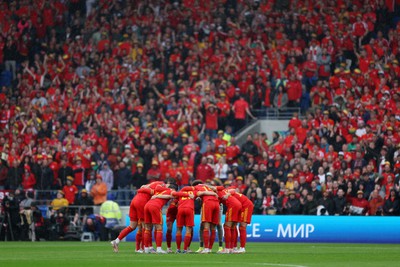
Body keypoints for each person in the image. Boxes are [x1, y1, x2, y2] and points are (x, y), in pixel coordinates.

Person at [110, 181, 167, 253]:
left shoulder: (150, 184)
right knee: (145, 227)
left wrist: (141, 189)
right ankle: (146, 248)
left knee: (132, 226)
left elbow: (142, 188)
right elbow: (151, 191)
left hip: (134, 201)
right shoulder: (161, 186)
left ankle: (116, 241)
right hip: (142, 202)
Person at [143, 183, 178, 254]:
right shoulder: (171, 191)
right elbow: (175, 195)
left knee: (147, 228)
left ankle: (146, 249)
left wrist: (157, 195)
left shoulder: (159, 190)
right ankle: (159, 249)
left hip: (147, 206)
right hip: (155, 206)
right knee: (159, 227)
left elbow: (157, 187)